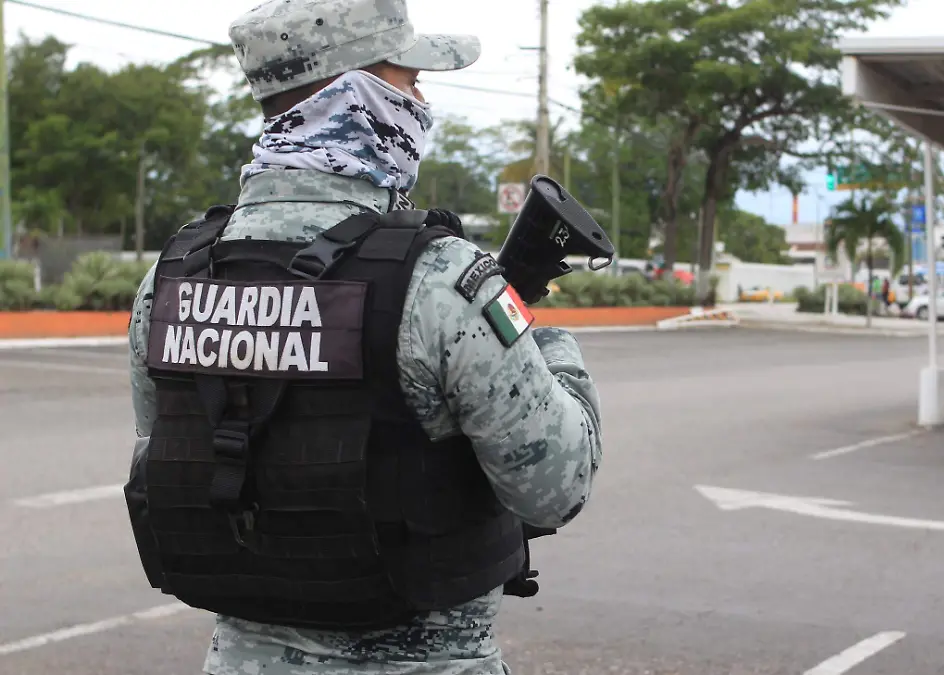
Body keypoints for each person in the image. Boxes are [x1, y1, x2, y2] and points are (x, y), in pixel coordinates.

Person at [122, 2, 603, 674]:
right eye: (408, 79)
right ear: (360, 96)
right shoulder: (443, 280)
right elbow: (557, 486)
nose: (421, 98)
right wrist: (550, 348)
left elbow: (182, 453)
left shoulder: (171, 277)